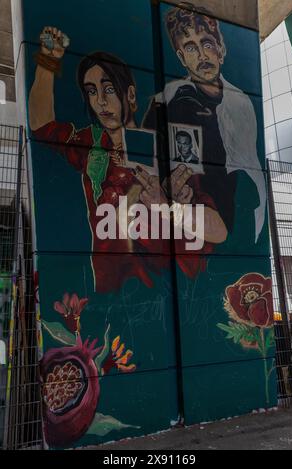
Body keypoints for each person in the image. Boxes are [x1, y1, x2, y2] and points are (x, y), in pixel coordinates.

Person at [29, 26, 227, 292]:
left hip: (167, 293)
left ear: (131, 95)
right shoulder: (92, 144)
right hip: (110, 293)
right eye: (91, 91)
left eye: (109, 89)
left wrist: (168, 207)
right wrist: (48, 59)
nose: (100, 101)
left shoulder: (169, 149)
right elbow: (41, 125)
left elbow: (218, 231)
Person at [143, 3, 266, 243]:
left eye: (207, 44)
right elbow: (149, 165)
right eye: (190, 48)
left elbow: (248, 169)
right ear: (181, 58)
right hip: (191, 229)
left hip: (237, 222)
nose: (201, 55)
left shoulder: (241, 102)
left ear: (220, 49)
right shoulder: (166, 101)